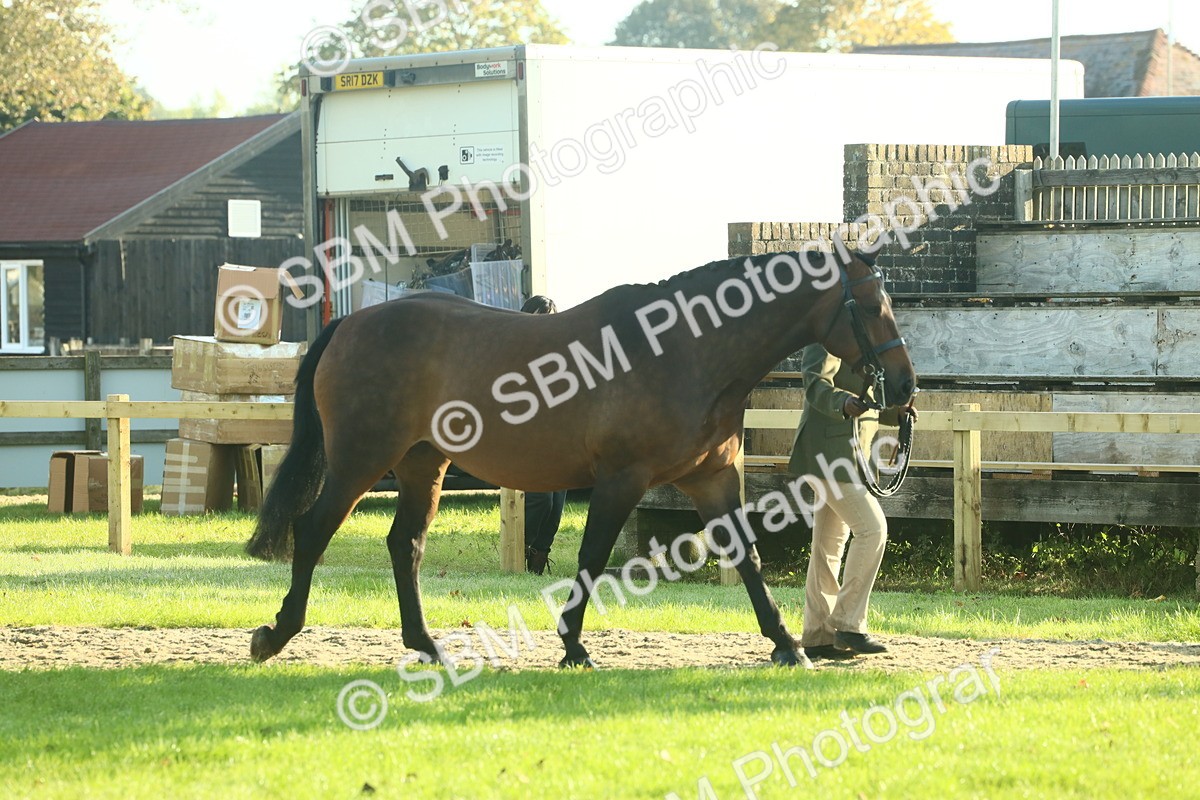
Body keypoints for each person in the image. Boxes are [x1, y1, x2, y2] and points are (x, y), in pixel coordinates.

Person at [788, 343, 916, 660]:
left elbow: (866, 402)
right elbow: (815, 384)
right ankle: (848, 623)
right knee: (872, 530)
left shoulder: (864, 342)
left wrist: (894, 414)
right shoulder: (827, 340)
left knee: (829, 545)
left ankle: (818, 637)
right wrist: (842, 402)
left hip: (849, 456)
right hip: (827, 455)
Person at [520, 295, 567, 575]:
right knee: (541, 499)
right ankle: (520, 548)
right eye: (539, 318)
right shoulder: (515, 351)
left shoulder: (560, 355)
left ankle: (538, 557)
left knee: (557, 503)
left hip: (558, 436)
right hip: (526, 437)